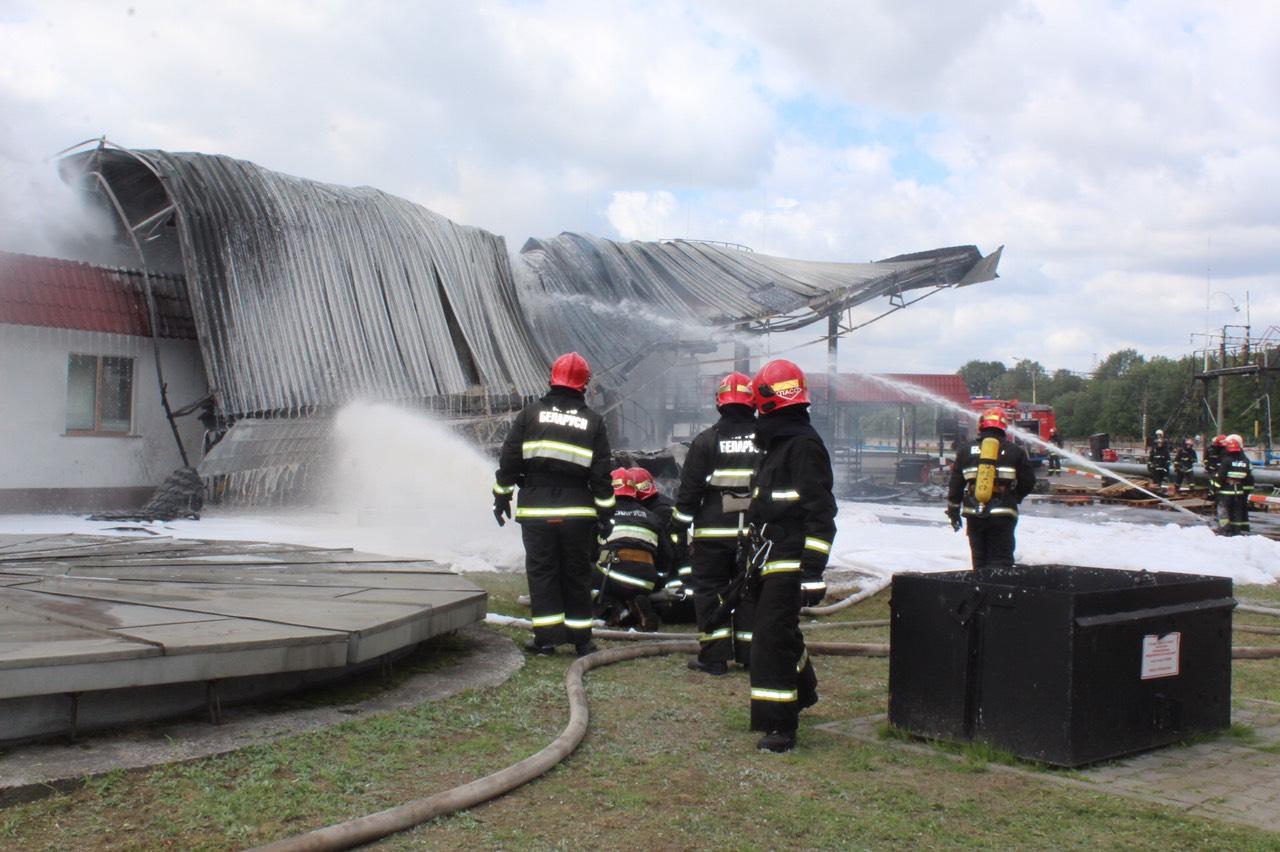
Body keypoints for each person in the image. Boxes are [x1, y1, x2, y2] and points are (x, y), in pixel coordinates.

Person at [493, 352, 615, 656]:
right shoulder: (593, 422)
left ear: (552, 379)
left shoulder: (530, 415)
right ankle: (582, 641)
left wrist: (501, 496)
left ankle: (546, 640)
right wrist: (606, 514)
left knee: (542, 574)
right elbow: (601, 475)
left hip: (536, 511)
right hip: (577, 514)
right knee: (577, 574)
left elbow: (510, 460)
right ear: (584, 384)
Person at [744, 360, 836, 753]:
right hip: (768, 556)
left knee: (771, 639)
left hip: (789, 560)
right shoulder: (779, 444)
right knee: (780, 632)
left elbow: (821, 513)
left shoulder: (802, 446)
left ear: (764, 401)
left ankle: (780, 725)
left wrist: (812, 572)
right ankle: (804, 689)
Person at [673, 371, 760, 677]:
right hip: (755, 534)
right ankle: (751, 655)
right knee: (751, 592)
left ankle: (714, 658)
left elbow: (689, 492)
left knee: (710, 593)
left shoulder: (706, 441)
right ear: (753, 402)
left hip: (712, 534)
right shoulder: (768, 440)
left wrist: (678, 527)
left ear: (719, 402)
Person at [945, 407, 1037, 572]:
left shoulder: (965, 451)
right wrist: (1013, 497)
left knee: (979, 562)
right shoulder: (1015, 451)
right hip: (1003, 513)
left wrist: (953, 512)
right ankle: (999, 587)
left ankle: (980, 586)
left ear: (981, 426)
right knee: (1002, 563)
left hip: (974, 513)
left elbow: (955, 486)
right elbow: (1028, 481)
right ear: (1003, 427)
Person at [593, 467, 667, 630]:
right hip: (646, 580)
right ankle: (633, 606)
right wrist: (659, 580)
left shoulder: (604, 515)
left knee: (586, 569)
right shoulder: (651, 516)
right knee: (612, 563)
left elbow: (591, 549)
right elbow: (666, 555)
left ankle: (613, 608)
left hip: (614, 574)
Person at [629, 466, 696, 625]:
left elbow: (667, 554)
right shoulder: (666, 506)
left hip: (677, 581)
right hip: (690, 578)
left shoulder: (655, 515)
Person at [1215, 434, 1254, 535]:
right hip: (1239, 491)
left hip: (1226, 491)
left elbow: (1221, 476)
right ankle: (1236, 531)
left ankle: (1224, 530)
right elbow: (1248, 476)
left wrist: (1215, 488)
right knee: (1237, 512)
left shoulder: (1226, 460)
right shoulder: (1245, 461)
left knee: (1223, 510)